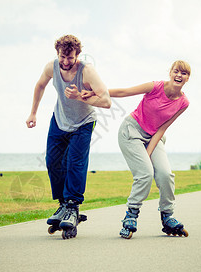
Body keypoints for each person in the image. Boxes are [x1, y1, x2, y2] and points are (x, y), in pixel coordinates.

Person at [81, 60, 191, 239]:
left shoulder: (183, 103)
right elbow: (125, 92)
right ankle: (131, 215)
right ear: (170, 72)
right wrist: (95, 92)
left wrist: (148, 152)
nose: (179, 75)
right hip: (131, 131)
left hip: (154, 136)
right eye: (176, 71)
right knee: (145, 174)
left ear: (187, 78)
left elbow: (162, 128)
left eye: (184, 73)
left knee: (165, 174)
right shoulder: (155, 87)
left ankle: (167, 216)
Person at [26, 35, 111, 239]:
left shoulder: (87, 71)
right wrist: (33, 112)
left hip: (83, 122)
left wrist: (80, 96)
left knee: (75, 163)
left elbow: (106, 100)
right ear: (57, 53)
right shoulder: (51, 67)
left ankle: (73, 206)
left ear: (77, 55)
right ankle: (63, 204)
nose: (65, 61)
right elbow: (40, 86)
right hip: (60, 120)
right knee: (52, 162)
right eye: (62, 56)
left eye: (70, 57)